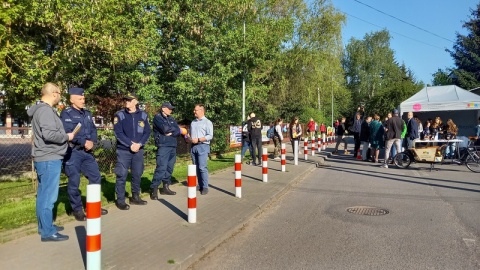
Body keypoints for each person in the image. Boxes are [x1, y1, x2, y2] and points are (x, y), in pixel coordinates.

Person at [28, 83, 74, 242]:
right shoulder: (45, 111)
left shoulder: (39, 109)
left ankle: (45, 227)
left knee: (43, 195)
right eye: (60, 93)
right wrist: (67, 137)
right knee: (49, 196)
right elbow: (49, 134)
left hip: (45, 157)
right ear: (54, 93)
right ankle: (47, 232)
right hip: (49, 158)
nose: (61, 96)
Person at [60, 87, 108, 221]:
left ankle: (93, 207)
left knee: (95, 177)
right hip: (73, 152)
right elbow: (68, 132)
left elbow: (93, 129)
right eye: (80, 98)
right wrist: (83, 142)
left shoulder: (87, 113)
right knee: (74, 181)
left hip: (87, 152)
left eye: (83, 98)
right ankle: (77, 210)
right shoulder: (66, 113)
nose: (83, 100)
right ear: (72, 99)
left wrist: (92, 141)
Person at [113, 93, 151, 210]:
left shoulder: (143, 115)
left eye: (129, 100)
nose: (127, 102)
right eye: (125, 100)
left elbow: (147, 132)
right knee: (122, 174)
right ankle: (120, 200)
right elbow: (118, 133)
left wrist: (139, 144)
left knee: (137, 174)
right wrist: (130, 144)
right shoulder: (119, 115)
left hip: (138, 150)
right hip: (124, 150)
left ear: (136, 101)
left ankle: (135, 197)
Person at [150, 102, 180, 199]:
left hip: (172, 145)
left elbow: (177, 130)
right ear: (163, 108)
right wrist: (171, 131)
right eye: (169, 108)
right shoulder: (158, 118)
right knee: (161, 167)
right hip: (163, 145)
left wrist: (172, 132)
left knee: (169, 167)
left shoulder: (171, 118)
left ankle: (165, 187)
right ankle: (154, 189)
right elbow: (164, 129)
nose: (171, 110)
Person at [190, 104, 213, 195]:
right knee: (196, 167)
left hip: (203, 146)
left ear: (201, 111)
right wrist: (189, 138)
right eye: (194, 110)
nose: (194, 112)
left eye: (196, 110)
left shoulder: (207, 122)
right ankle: (199, 184)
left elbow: (210, 136)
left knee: (202, 167)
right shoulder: (193, 122)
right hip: (194, 146)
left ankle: (205, 186)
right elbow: (191, 135)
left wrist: (199, 139)